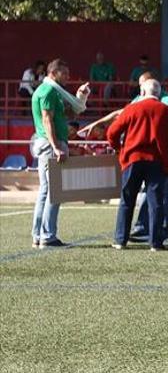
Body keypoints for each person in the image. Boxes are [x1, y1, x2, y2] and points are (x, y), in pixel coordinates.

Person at [106, 79, 168, 251]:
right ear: (160, 94)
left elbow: (112, 132)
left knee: (127, 199)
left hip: (132, 159)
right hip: (157, 161)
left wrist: (120, 149)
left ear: (142, 92)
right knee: (156, 201)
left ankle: (120, 240)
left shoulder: (131, 109)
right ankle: (155, 242)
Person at [30, 58, 89, 248]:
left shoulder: (48, 91)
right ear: (53, 73)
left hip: (47, 143)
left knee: (45, 191)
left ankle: (38, 234)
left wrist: (81, 97)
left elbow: (68, 115)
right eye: (64, 73)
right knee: (55, 191)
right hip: (50, 145)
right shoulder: (48, 91)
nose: (68, 77)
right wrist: (56, 146)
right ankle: (47, 235)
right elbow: (47, 120)